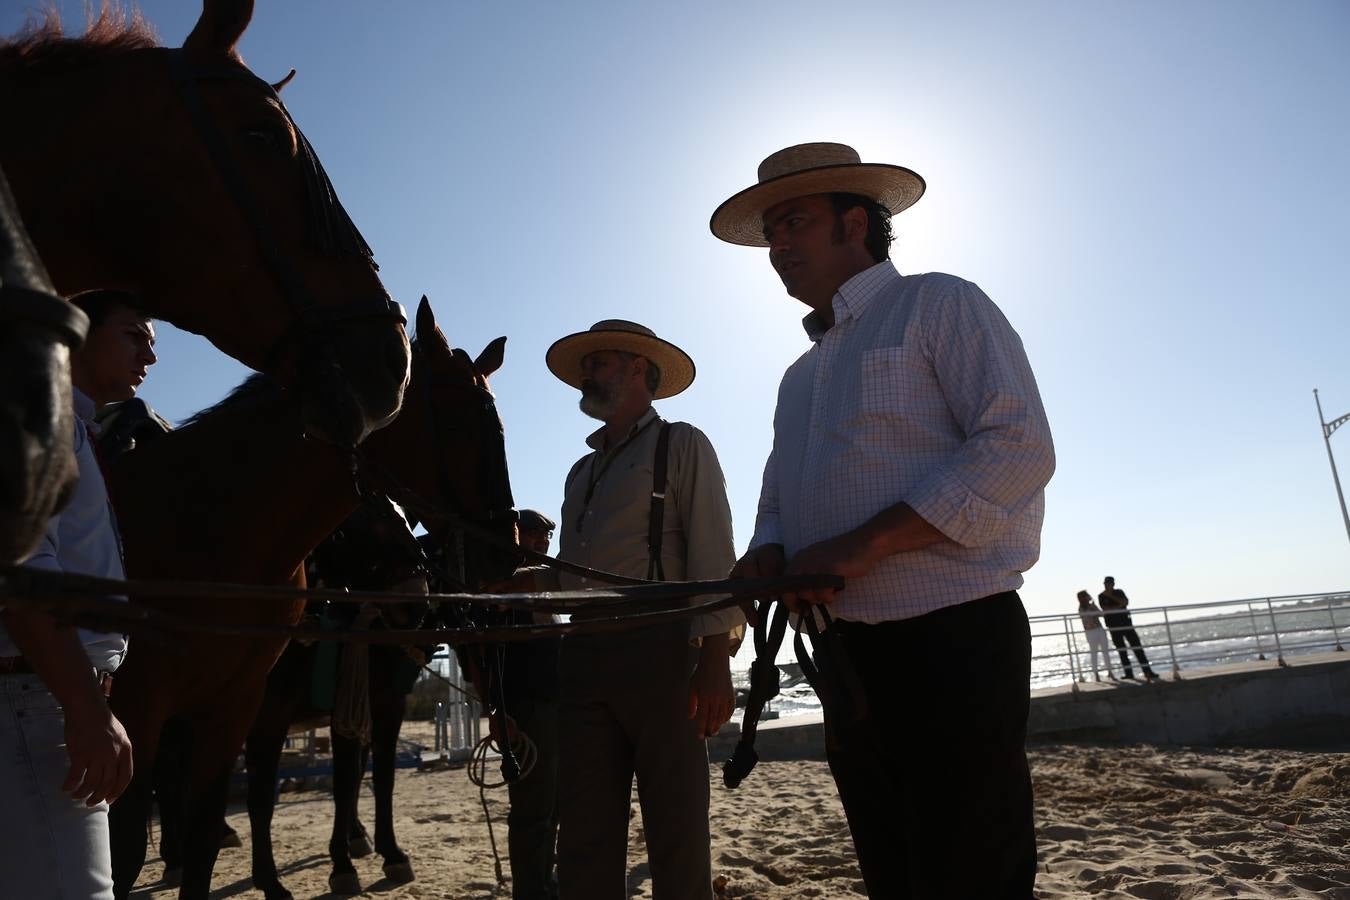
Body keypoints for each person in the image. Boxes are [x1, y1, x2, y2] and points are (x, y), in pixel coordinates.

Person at [714, 142, 1055, 898]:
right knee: (892, 866)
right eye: (771, 232)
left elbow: (1018, 446)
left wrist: (866, 545)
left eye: (794, 222)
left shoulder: (939, 302)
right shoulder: (798, 375)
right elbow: (780, 492)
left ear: (855, 223)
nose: (777, 247)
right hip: (840, 657)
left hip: (953, 638)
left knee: (974, 869)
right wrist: (768, 551)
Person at [505, 320, 742, 899]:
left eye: (598, 362)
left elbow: (714, 557)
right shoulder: (580, 471)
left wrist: (714, 663)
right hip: (582, 658)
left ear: (639, 368)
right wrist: (529, 580)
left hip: (661, 656)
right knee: (583, 833)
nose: (585, 374)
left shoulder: (682, 443)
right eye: (586, 366)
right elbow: (581, 570)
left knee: (677, 829)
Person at [0, 288, 154, 898]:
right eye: (133, 335)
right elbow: (23, 575)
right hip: (39, 699)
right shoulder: (42, 416)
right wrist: (85, 708)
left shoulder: (76, 428)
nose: (150, 354)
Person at [503, 508, 562, 900]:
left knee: (552, 809)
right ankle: (531, 891)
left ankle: (544, 883)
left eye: (545, 537)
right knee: (532, 812)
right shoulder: (505, 589)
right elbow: (489, 658)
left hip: (555, 705)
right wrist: (499, 711)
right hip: (525, 711)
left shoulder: (545, 585)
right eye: (533, 534)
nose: (542, 542)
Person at [1098, 576, 1157, 681]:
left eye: (1110, 583)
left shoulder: (1119, 592)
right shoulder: (1101, 596)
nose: (1108, 585)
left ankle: (1147, 671)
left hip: (1126, 623)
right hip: (1113, 626)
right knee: (1122, 650)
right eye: (1107, 584)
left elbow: (1125, 602)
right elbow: (1106, 609)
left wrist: (1112, 596)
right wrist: (1118, 606)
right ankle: (1128, 673)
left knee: (1137, 647)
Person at [1077, 590, 1116, 682]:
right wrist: (1091, 606)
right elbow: (1086, 616)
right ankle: (1096, 674)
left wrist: (1093, 605)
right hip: (1090, 632)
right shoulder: (1081, 608)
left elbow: (1101, 614)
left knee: (1105, 651)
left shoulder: (1092, 606)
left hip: (1099, 629)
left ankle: (1110, 672)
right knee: (1094, 653)